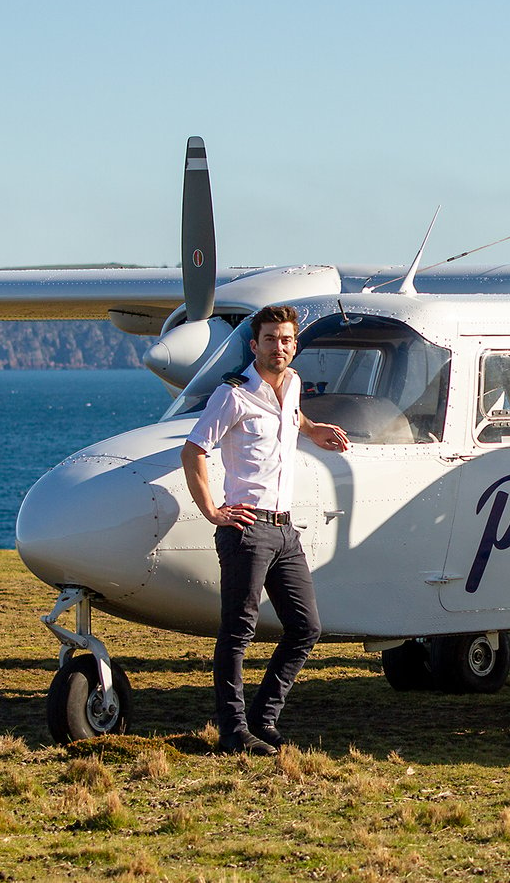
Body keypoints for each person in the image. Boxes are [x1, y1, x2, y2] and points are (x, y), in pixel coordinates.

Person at [181, 304, 350, 755]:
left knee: (305, 627)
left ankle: (263, 719)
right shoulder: (232, 395)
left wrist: (313, 430)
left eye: (288, 339)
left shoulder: (292, 385)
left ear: (295, 346)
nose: (281, 347)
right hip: (247, 529)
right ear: (254, 345)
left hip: (285, 528)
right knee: (238, 632)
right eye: (272, 339)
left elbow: (291, 418)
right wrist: (213, 510)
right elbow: (194, 449)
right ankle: (233, 731)